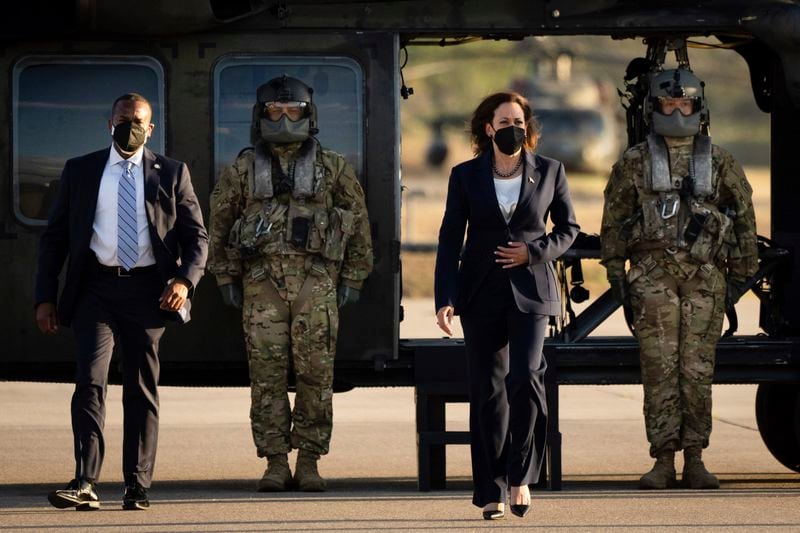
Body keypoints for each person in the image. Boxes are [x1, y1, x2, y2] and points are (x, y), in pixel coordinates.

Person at [35, 93, 209, 510]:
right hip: (95, 289)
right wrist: (45, 297)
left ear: (151, 129)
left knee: (141, 388)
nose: (129, 126)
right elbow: (54, 238)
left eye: (138, 121)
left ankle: (137, 484)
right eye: (122, 119)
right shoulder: (80, 171)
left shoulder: (171, 172)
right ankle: (85, 481)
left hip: (149, 293)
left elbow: (196, 238)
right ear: (108, 123)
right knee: (90, 383)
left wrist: (185, 280)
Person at [208, 75, 373, 492]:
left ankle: (311, 461)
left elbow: (359, 226)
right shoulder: (243, 169)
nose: (284, 117)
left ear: (308, 114)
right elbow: (220, 225)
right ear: (260, 115)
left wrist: (353, 277)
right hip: (261, 285)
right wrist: (225, 274)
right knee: (267, 377)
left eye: (293, 110)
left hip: (316, 283)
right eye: (275, 110)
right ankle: (276, 463)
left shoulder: (333, 167)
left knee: (317, 375)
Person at [601, 67, 758, 490]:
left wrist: (738, 280)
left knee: (697, 370)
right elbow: (614, 221)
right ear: (655, 107)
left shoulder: (720, 160)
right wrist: (617, 272)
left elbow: (744, 220)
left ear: (696, 106)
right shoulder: (634, 161)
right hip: (653, 279)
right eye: (668, 103)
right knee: (658, 370)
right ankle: (663, 460)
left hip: (705, 279)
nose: (676, 109)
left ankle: (695, 457)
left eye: (683, 102)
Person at [434, 92, 579, 519]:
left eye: (519, 119)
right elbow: (448, 240)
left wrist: (532, 252)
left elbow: (569, 230)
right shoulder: (465, 176)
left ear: (527, 127)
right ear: (489, 128)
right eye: (504, 120)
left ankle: (521, 477)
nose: (513, 126)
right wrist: (446, 298)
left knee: (526, 379)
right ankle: (491, 489)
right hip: (480, 293)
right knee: (487, 390)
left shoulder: (550, 171)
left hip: (532, 291)